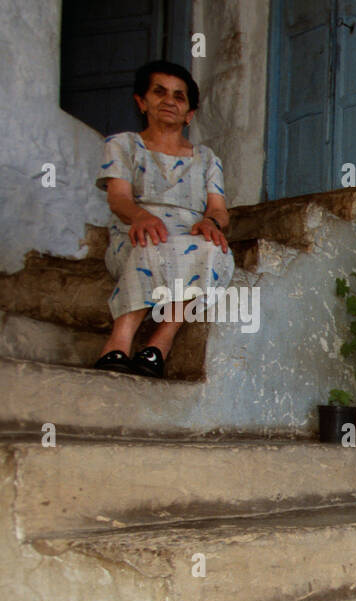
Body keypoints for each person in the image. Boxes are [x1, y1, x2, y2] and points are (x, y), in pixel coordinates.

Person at [92, 60, 233, 379]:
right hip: (134, 229)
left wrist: (211, 223)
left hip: (190, 233)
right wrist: (141, 217)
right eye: (159, 92)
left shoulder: (208, 158)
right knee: (150, 240)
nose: (169, 100)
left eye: (179, 96)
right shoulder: (123, 145)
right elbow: (118, 198)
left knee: (213, 250)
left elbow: (219, 208)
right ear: (141, 102)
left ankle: (160, 342)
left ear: (190, 114)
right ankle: (120, 340)